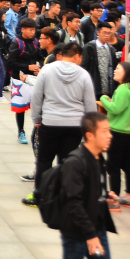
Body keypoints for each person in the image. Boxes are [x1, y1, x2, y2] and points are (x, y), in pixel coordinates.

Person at [25, 42, 96, 206]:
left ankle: (40, 195)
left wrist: (36, 119)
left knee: (44, 160)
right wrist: (89, 127)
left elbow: (37, 96)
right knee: (66, 162)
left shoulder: (47, 70)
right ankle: (64, 196)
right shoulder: (84, 75)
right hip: (74, 124)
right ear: (77, 56)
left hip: (50, 121)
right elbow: (90, 104)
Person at [57, 112, 117, 259]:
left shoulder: (98, 158)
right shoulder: (75, 162)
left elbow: (89, 189)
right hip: (77, 234)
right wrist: (90, 235)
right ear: (90, 135)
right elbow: (73, 202)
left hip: (97, 229)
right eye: (104, 131)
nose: (110, 135)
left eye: (109, 131)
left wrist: (104, 195)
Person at [100, 61, 130, 210]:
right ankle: (129, 197)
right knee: (127, 165)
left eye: (118, 68)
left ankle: (114, 199)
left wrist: (104, 99)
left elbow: (115, 108)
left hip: (118, 131)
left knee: (113, 165)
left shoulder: (123, 88)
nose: (115, 71)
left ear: (126, 72)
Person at [8, 18, 40, 145]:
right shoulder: (16, 43)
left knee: (38, 106)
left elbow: (40, 57)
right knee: (20, 108)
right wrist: (27, 67)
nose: (33, 32)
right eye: (30, 30)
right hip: (19, 80)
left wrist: (39, 68)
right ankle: (21, 131)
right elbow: (10, 63)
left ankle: (37, 132)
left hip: (34, 79)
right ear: (23, 29)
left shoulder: (36, 42)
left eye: (34, 30)